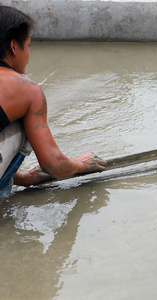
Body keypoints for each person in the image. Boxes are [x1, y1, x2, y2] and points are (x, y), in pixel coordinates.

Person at [0, 6, 106, 195]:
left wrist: (23, 178)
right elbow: (54, 164)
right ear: (14, 46)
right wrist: (81, 164)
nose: (29, 55)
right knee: (24, 121)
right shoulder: (26, 89)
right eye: (29, 45)